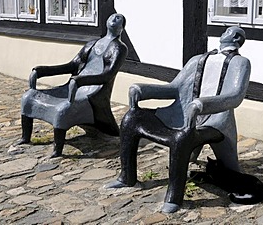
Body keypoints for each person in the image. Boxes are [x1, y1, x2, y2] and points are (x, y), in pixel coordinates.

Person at [106, 26, 251, 213]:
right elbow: (174, 87)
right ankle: (126, 177)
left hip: (214, 122)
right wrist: (141, 90)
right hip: (180, 115)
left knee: (181, 138)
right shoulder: (198, 60)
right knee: (131, 119)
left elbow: (235, 96)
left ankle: (174, 197)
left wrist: (200, 105)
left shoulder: (240, 64)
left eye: (229, 31)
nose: (224, 33)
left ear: (237, 38)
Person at [15, 13, 128, 158]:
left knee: (63, 109)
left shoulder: (119, 48)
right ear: (105, 21)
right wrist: (40, 71)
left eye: (119, 18)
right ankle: (25, 137)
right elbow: (72, 65)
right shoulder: (92, 44)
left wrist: (80, 81)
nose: (114, 18)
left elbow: (107, 75)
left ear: (122, 28)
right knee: (28, 97)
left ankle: (57, 151)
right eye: (112, 16)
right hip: (73, 86)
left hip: (92, 94)